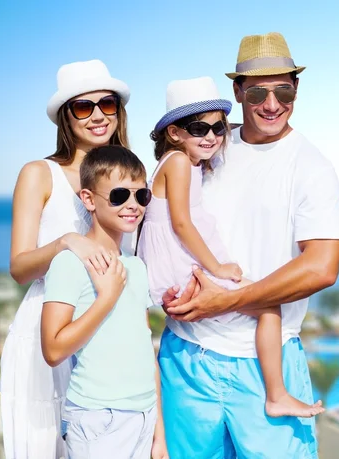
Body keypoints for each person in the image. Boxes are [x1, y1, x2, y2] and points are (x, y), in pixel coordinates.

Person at [159, 32, 339, 458]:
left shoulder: (311, 167)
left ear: (296, 89)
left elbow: (322, 267)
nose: (271, 103)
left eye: (283, 89)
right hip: (185, 357)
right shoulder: (207, 147)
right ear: (237, 91)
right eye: (258, 90)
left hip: (263, 366)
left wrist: (223, 302)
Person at [137, 76, 324, 425]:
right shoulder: (178, 164)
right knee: (268, 306)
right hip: (181, 268)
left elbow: (234, 131)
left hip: (175, 267)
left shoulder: (184, 160)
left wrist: (237, 126)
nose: (210, 137)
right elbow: (181, 224)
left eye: (217, 129)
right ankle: (276, 396)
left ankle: (276, 394)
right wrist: (217, 267)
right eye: (198, 128)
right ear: (174, 133)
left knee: (264, 304)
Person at [0, 59, 133, 459]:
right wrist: (66, 242)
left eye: (107, 104)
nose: (97, 115)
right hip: (46, 332)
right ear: (65, 116)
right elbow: (20, 267)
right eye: (82, 107)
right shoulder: (39, 174)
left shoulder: (126, 175)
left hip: (106, 329)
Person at [40, 145, 167, 459]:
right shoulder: (69, 264)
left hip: (143, 417)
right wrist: (106, 298)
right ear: (88, 199)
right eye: (120, 195)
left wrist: (158, 435)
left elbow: (144, 351)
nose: (133, 205)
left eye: (142, 196)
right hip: (98, 419)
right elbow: (53, 350)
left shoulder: (136, 267)